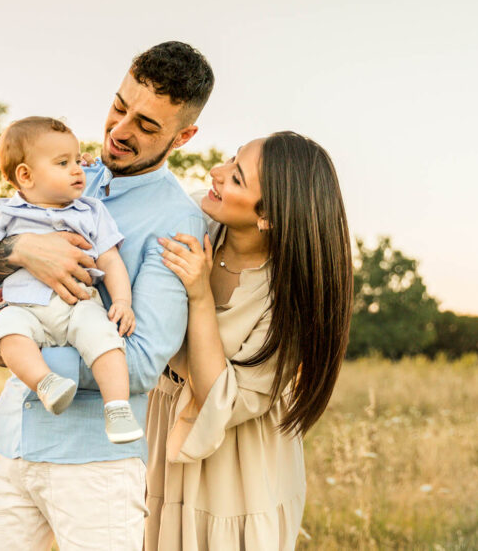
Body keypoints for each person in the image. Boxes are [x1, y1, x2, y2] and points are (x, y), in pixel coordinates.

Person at [0, 41, 214, 550]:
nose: (119, 131)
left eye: (146, 125)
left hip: (93, 464)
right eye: (120, 106)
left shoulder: (176, 221)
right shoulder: (66, 172)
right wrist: (26, 249)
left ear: (184, 136)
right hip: (9, 443)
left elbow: (139, 365)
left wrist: (13, 357)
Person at [147, 131, 352, 550]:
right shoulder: (193, 226)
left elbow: (215, 399)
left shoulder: (290, 299)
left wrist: (200, 294)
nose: (216, 173)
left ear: (269, 217)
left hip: (236, 478)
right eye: (229, 160)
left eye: (236, 178)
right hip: (158, 441)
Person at [0, 116, 142, 444]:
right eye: (63, 163)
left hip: (77, 303)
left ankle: (118, 409)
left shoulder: (91, 211)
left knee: (105, 339)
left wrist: (122, 301)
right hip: (24, 307)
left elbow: (110, 259)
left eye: (78, 160)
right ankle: (45, 383)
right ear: (25, 175)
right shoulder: (5, 213)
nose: (77, 170)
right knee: (7, 328)